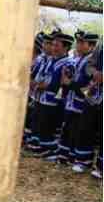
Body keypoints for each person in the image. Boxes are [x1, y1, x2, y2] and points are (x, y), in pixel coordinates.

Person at [54, 32, 99, 165]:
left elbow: (89, 86)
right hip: (71, 102)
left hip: (82, 105)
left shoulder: (91, 62)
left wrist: (70, 83)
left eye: (82, 42)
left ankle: (79, 160)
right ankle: (64, 157)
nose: (78, 45)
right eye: (78, 42)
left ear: (91, 46)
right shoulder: (79, 59)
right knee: (67, 130)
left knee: (78, 133)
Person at [30, 32, 74, 159]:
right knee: (38, 123)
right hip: (41, 97)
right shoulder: (51, 60)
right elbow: (42, 75)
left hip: (53, 100)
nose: (53, 48)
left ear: (65, 48)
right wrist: (36, 83)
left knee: (48, 125)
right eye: (53, 44)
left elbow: (59, 84)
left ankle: (50, 149)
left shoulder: (68, 63)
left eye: (57, 45)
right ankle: (40, 147)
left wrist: (42, 85)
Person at [71, 40, 102, 177]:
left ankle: (101, 168)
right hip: (93, 94)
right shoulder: (101, 45)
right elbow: (90, 64)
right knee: (86, 127)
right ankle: (83, 161)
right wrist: (94, 73)